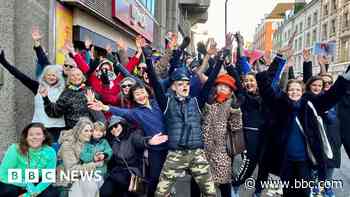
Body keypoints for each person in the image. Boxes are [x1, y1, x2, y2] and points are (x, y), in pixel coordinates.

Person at [256, 53, 350, 197]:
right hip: (285, 160)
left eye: (298, 89)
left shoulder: (310, 104)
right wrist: (262, 74)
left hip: (305, 160)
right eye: (291, 89)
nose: (295, 92)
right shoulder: (280, 105)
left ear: (303, 91)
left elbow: (331, 96)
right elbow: (267, 92)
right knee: (288, 192)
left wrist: (344, 80)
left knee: (305, 192)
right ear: (287, 92)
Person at [142, 40, 228, 196]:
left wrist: (220, 59)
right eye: (180, 84)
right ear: (173, 86)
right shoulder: (166, 102)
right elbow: (155, 82)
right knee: (160, 193)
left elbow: (209, 83)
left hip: (197, 155)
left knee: (211, 193)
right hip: (175, 155)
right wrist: (147, 59)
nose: (185, 86)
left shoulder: (196, 101)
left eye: (187, 84)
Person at [88, 82, 168, 197]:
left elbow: (137, 140)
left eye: (141, 92)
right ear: (133, 98)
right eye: (136, 95)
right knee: (155, 178)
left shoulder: (158, 104)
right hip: (154, 149)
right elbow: (123, 113)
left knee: (171, 177)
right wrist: (105, 107)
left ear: (147, 92)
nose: (140, 96)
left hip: (171, 146)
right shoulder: (136, 112)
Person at [0, 50, 65, 142]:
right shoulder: (37, 87)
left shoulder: (63, 89)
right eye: (48, 75)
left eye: (54, 75)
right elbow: (20, 76)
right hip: (39, 126)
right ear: (44, 76)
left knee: (54, 153)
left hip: (57, 127)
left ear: (58, 76)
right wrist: (4, 62)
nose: (51, 77)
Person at [100, 116, 168, 197]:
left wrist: (149, 141)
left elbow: (139, 141)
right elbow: (108, 153)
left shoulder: (133, 135)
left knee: (124, 190)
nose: (114, 129)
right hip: (118, 172)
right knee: (105, 191)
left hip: (133, 171)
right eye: (111, 129)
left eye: (116, 126)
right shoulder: (113, 141)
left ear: (122, 124)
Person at [202, 74, 241, 197]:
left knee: (224, 182)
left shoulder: (231, 104)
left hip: (222, 150)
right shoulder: (210, 101)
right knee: (204, 184)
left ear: (230, 90)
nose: (223, 88)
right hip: (204, 150)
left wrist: (235, 112)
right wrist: (207, 106)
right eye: (221, 85)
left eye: (226, 87)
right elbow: (201, 119)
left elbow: (236, 127)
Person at [0, 123, 59, 197]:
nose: (34, 137)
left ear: (44, 137)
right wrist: (27, 183)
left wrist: (29, 195)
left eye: (38, 134)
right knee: (8, 190)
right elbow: (2, 174)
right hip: (15, 180)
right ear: (26, 137)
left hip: (36, 181)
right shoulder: (15, 149)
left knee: (51, 194)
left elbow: (48, 177)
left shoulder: (50, 152)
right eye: (31, 135)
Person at [40, 68, 105, 129]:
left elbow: (102, 107)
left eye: (78, 75)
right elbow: (55, 112)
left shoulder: (90, 90)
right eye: (72, 75)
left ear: (82, 77)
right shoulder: (66, 93)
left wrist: (93, 102)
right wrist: (45, 98)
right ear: (69, 79)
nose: (76, 77)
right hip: (73, 130)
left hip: (89, 130)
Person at [56, 117, 102, 197]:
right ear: (79, 131)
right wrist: (94, 164)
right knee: (89, 185)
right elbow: (72, 170)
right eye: (86, 131)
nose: (89, 133)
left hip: (85, 174)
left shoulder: (87, 143)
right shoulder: (68, 145)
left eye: (91, 131)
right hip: (68, 176)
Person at [80, 121, 113, 188]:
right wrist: (93, 157)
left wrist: (104, 155)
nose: (98, 133)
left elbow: (109, 151)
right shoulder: (86, 143)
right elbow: (82, 155)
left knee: (98, 187)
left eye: (101, 131)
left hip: (101, 171)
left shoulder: (104, 142)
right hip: (88, 171)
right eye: (96, 130)